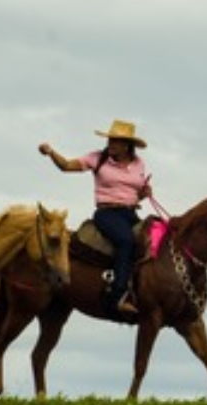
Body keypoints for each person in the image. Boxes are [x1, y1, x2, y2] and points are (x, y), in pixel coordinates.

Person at [38, 120, 152, 315]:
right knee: (125, 241)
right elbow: (66, 165)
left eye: (116, 141)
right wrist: (51, 152)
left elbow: (137, 190)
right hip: (107, 213)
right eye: (110, 140)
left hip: (130, 213)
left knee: (153, 240)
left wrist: (144, 192)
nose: (111, 144)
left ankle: (146, 292)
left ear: (127, 145)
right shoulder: (97, 158)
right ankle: (117, 296)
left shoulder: (138, 163)